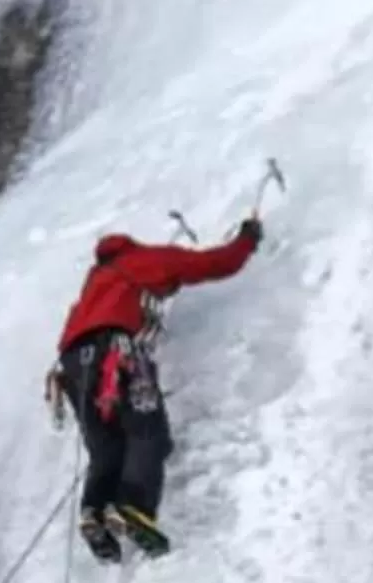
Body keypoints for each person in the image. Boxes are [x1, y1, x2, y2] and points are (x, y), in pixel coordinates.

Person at [50, 214, 262, 562]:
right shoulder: (142, 259)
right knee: (148, 434)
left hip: (73, 365)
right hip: (115, 351)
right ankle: (133, 506)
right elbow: (211, 263)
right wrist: (247, 239)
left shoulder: (95, 281)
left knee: (106, 448)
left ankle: (95, 512)